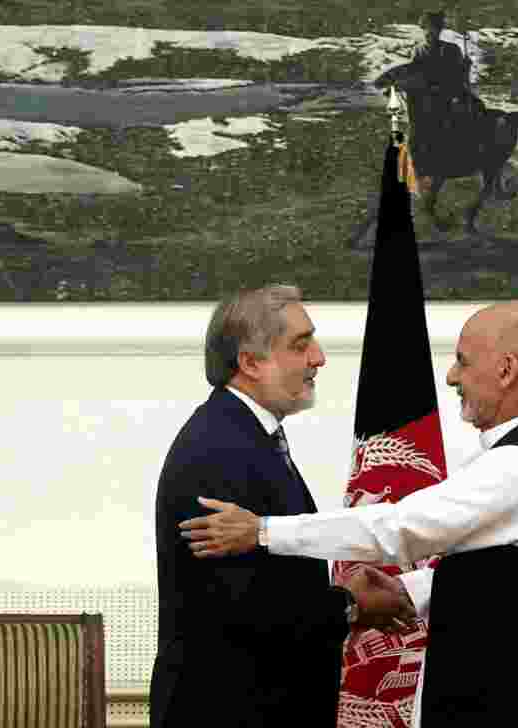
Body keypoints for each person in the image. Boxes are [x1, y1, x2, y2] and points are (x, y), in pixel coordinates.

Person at [179, 301, 518, 728]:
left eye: (462, 362)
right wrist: (409, 589)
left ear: (505, 370)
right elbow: (508, 572)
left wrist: (262, 531)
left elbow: (400, 527)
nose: (449, 376)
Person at [150, 284, 416, 728]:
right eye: (300, 344)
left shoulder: (247, 437)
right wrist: (350, 604)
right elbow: (245, 606)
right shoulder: (216, 451)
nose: (319, 358)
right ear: (250, 361)